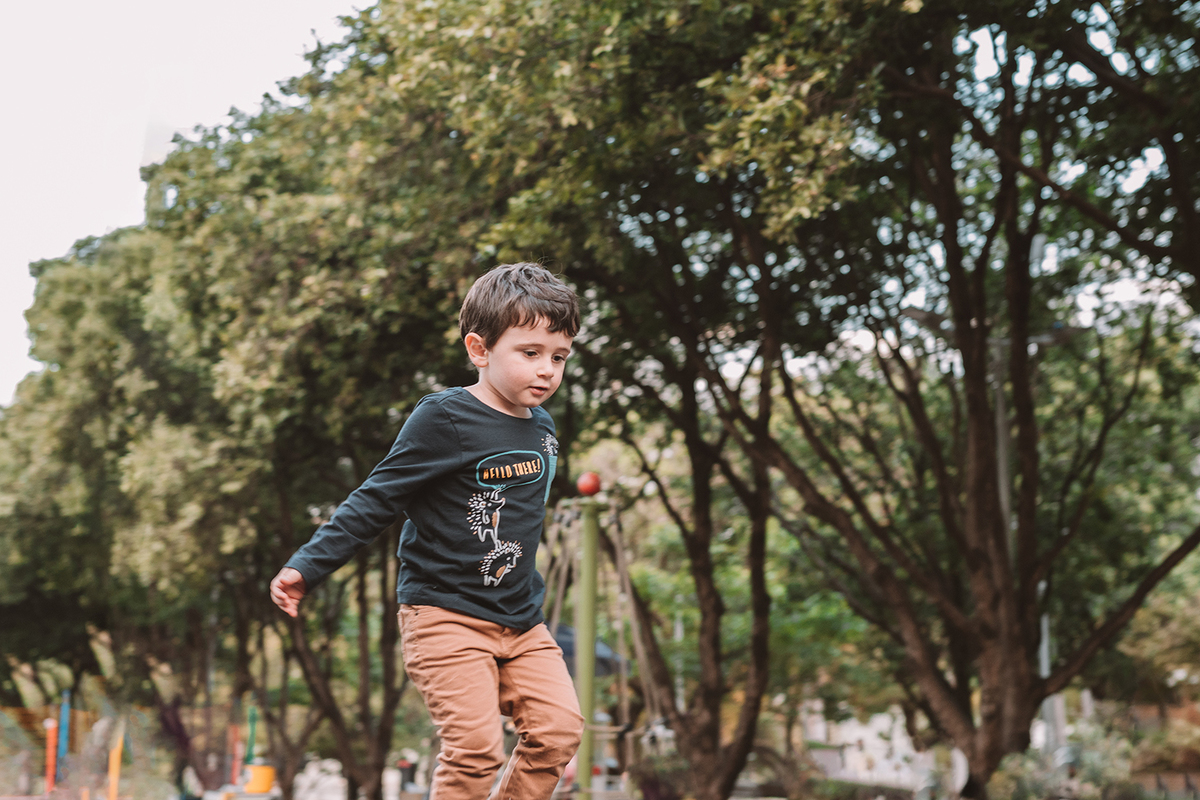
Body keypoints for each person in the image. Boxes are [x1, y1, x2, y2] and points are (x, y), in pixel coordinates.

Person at [270, 262, 584, 799]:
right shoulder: (444, 418)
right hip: (445, 615)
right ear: (480, 350)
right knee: (477, 750)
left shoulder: (544, 427)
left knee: (558, 732)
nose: (547, 370)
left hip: (522, 619)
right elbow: (377, 497)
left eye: (558, 357)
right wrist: (307, 565)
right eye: (529, 353)